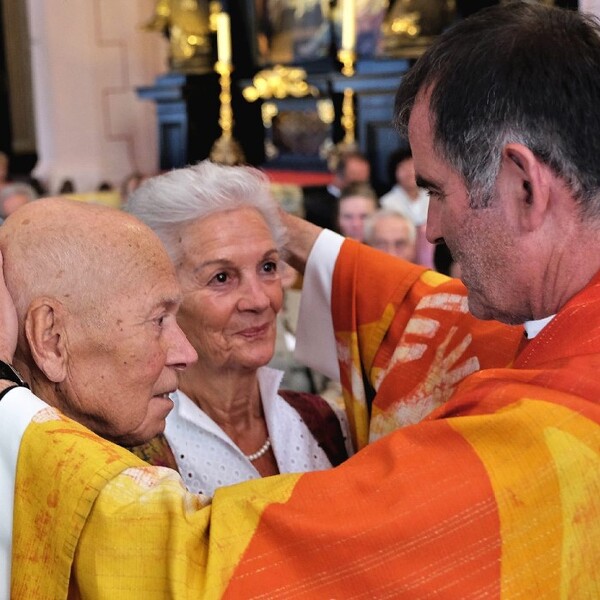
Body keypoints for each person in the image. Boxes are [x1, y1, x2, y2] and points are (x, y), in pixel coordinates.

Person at [2, 4, 598, 597]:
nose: (432, 228)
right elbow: (446, 326)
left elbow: (209, 570)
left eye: (436, 191)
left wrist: (7, 405)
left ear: (524, 184)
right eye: (220, 276)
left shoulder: (544, 428)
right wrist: (275, 232)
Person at [126, 161, 350, 496]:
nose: (259, 300)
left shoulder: (324, 424)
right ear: (161, 300)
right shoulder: (134, 458)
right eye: (222, 277)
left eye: (268, 267)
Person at [302, 150, 371, 231]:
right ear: (339, 175)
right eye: (356, 181)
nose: (361, 186)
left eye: (365, 180)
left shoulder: (371, 202)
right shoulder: (313, 204)